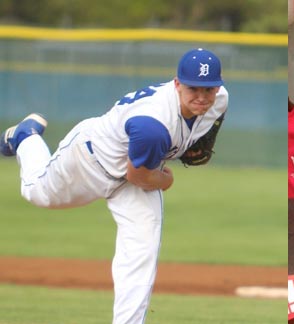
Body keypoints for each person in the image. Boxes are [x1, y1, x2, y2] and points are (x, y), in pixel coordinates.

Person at [0, 48, 228, 323]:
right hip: (91, 162)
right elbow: (141, 177)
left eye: (209, 89)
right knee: (37, 193)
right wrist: (167, 180)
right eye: (194, 88)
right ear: (177, 83)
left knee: (140, 254)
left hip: (133, 178)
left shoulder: (220, 100)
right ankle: (26, 136)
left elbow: (200, 122)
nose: (202, 97)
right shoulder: (152, 124)